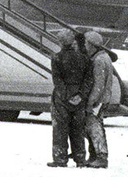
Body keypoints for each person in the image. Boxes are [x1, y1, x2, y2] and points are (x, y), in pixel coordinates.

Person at [48, 29, 92, 168]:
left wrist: (66, 95)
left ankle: (60, 158)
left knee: (60, 128)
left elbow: (57, 79)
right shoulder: (85, 58)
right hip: (79, 96)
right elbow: (88, 79)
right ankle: (80, 157)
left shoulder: (57, 58)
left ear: (60, 42)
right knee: (78, 128)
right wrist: (80, 95)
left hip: (62, 97)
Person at [81, 30, 119, 168]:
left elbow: (98, 84)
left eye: (86, 43)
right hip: (103, 99)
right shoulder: (104, 57)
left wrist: (91, 102)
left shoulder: (98, 60)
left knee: (94, 127)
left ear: (91, 45)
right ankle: (94, 156)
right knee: (94, 127)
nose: (84, 46)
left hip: (98, 100)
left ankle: (101, 156)